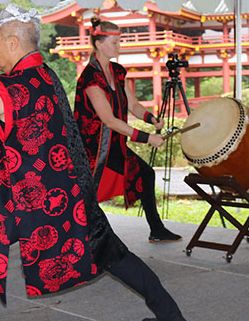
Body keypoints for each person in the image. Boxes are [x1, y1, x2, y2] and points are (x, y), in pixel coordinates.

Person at [0, 5, 186, 321]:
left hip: (30, 202)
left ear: (12, 42)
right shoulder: (43, 75)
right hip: (72, 193)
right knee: (116, 256)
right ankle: (173, 319)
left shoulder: (11, 87)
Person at [73, 17, 181, 243]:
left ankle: (156, 229)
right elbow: (109, 120)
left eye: (119, 42)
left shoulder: (118, 72)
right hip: (91, 148)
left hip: (113, 144)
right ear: (99, 44)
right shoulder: (90, 77)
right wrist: (147, 138)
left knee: (145, 173)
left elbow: (132, 104)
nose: (119, 47)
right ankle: (77, 239)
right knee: (85, 195)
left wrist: (152, 119)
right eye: (114, 43)